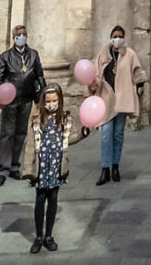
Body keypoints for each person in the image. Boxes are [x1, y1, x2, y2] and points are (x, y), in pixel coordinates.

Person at [22, 83, 89, 253]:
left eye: (54, 101)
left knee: (53, 199)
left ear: (60, 101)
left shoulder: (64, 118)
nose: (51, 104)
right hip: (41, 165)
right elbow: (30, 145)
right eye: (48, 101)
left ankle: (49, 236)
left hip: (56, 165)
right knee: (39, 199)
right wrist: (28, 169)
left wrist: (82, 134)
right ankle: (38, 236)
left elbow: (69, 138)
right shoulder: (36, 119)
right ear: (43, 102)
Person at [90, 25, 148, 185]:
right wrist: (92, 84)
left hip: (122, 98)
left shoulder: (130, 54)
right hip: (106, 99)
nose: (117, 39)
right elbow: (96, 73)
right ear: (110, 37)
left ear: (124, 38)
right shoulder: (103, 53)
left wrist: (140, 84)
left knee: (118, 134)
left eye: (120, 36)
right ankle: (105, 169)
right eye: (114, 36)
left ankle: (115, 166)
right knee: (106, 135)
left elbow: (137, 71)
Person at [0, 25, 45, 187]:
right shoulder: (5, 57)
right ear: (13, 37)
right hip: (10, 101)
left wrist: (43, 97)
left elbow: (39, 75)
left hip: (27, 99)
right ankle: (3, 169)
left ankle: (14, 166)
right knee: (7, 133)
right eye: (18, 35)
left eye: (24, 34)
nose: (21, 37)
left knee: (21, 133)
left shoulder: (33, 55)